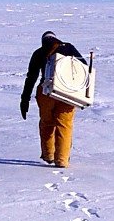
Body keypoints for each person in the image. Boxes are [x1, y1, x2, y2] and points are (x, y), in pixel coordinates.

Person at [20, 30, 86, 168]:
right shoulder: (68, 47)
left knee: (47, 123)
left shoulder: (38, 52)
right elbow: (83, 66)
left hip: (46, 92)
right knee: (64, 125)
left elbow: (31, 77)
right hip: (67, 92)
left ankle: (49, 155)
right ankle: (62, 160)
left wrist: (24, 100)